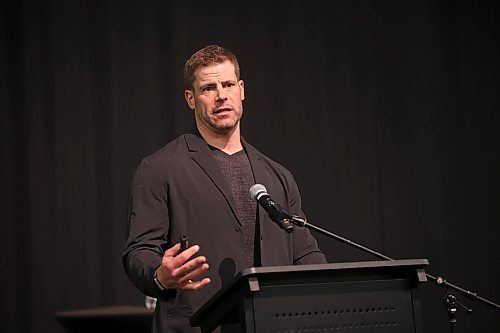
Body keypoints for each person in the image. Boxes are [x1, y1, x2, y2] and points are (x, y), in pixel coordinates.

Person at [122, 44, 326, 333]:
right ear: (190, 99)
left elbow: (305, 255)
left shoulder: (277, 175)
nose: (221, 96)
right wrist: (160, 275)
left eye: (228, 84)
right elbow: (138, 251)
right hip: (198, 325)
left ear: (241, 89)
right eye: (208, 88)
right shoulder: (159, 169)